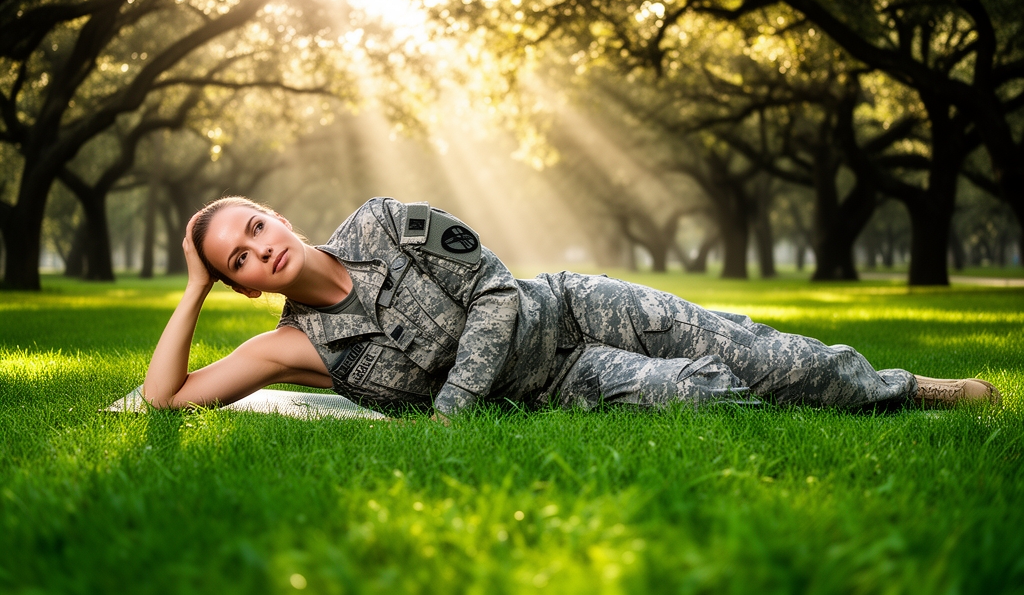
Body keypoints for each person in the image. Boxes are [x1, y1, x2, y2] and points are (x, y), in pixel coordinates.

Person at [143, 196, 1002, 416]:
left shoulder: (380, 223)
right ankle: (822, 388)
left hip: (579, 312)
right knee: (705, 394)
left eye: (256, 227)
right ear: (244, 284)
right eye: (238, 260)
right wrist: (190, 291)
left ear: (278, 213)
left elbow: (491, 290)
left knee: (765, 354)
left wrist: (449, 412)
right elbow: (165, 399)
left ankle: (910, 389)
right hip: (560, 385)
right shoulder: (296, 348)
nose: (261, 249)